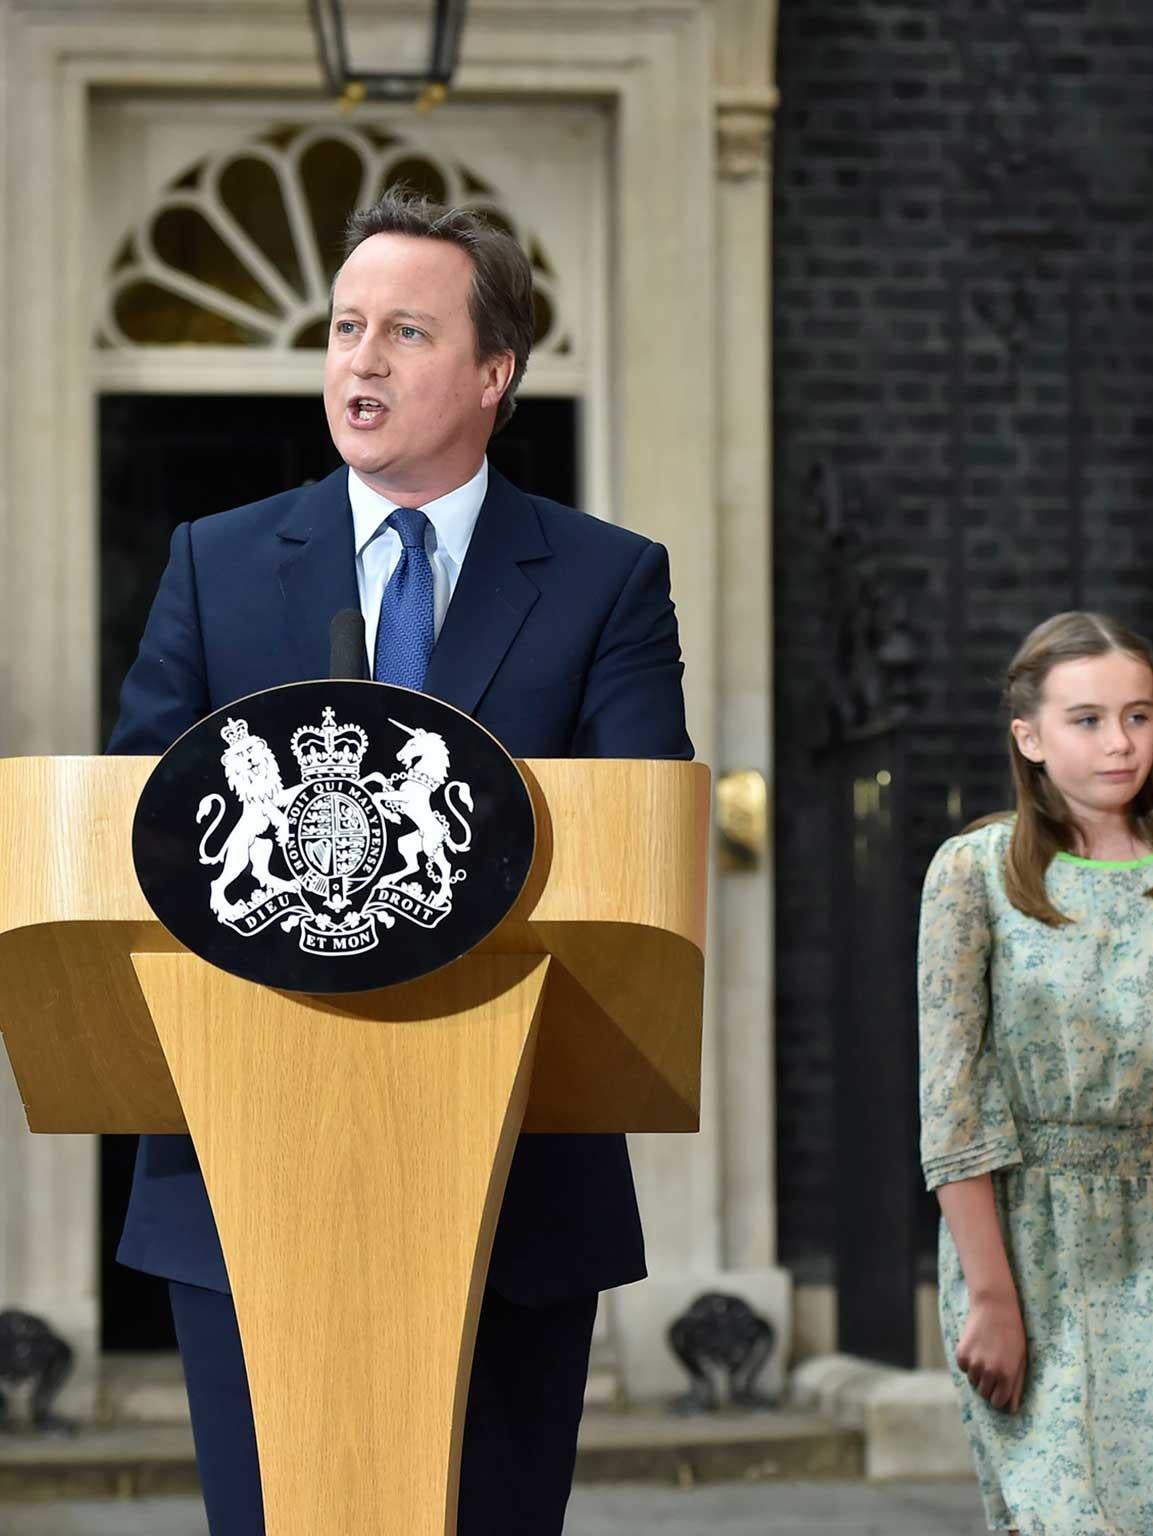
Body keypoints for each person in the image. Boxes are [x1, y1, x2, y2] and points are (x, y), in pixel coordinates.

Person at [107, 189, 692, 1535]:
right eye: (345, 326)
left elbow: (636, 833)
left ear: (494, 373)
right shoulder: (221, 562)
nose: (359, 362)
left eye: (407, 332)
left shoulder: (608, 581)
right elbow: (134, 826)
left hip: (510, 1179)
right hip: (245, 1164)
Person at [916, 610, 1153, 1535]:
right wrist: (992, 1295)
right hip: (1023, 1238)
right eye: (1087, 719)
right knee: (1058, 1514)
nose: (1120, 742)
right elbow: (951, 1101)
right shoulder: (974, 873)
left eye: (1139, 715)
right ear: (1028, 737)